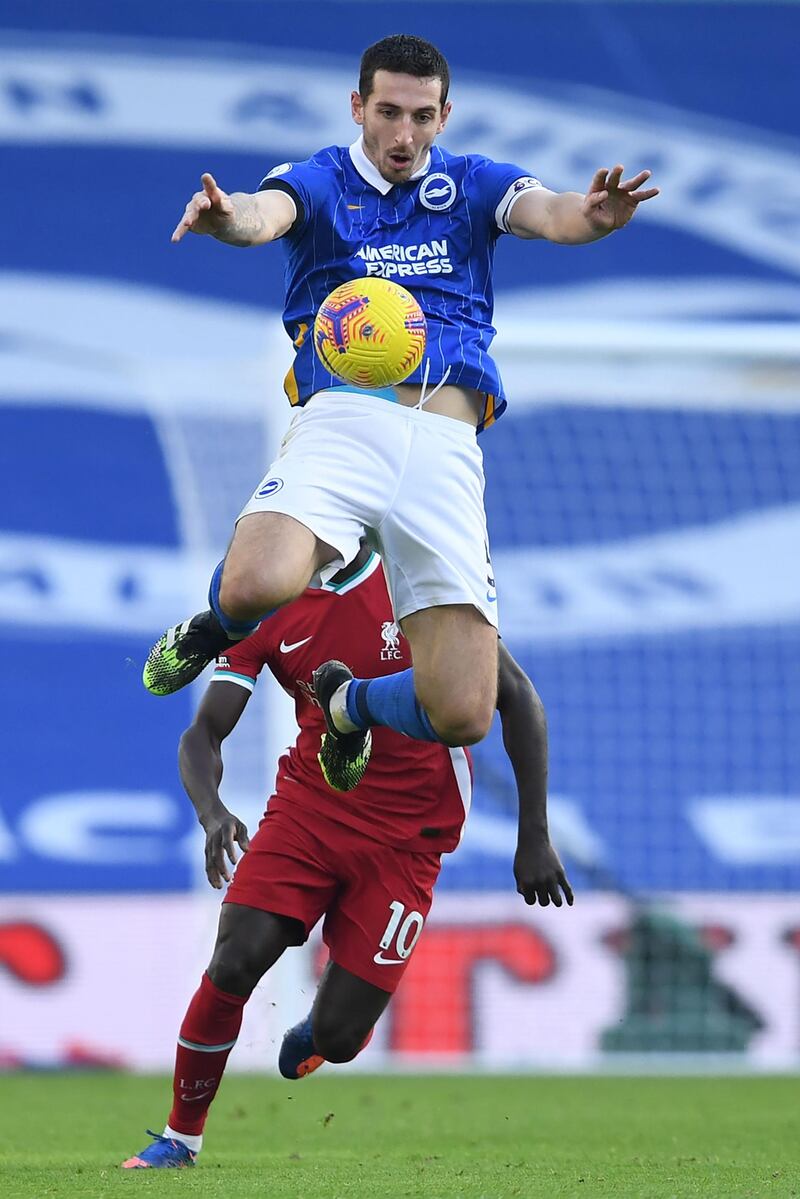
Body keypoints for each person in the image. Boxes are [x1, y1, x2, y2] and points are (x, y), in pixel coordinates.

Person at [143, 33, 658, 793]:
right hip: (347, 420)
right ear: (359, 106)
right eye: (387, 112)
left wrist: (594, 215)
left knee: (463, 712)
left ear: (445, 116)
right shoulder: (318, 179)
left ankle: (347, 705)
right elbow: (263, 214)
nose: (403, 134)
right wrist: (226, 218)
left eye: (421, 116)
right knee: (258, 584)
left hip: (446, 446)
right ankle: (212, 628)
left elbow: (553, 213)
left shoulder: (475, 184)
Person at [123, 544, 572, 1168]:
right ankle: (179, 1138)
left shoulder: (417, 578)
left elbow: (516, 696)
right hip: (309, 811)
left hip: (407, 839)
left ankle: (322, 1030)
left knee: (338, 1037)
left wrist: (534, 836)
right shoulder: (261, 603)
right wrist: (213, 811)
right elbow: (204, 733)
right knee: (235, 959)